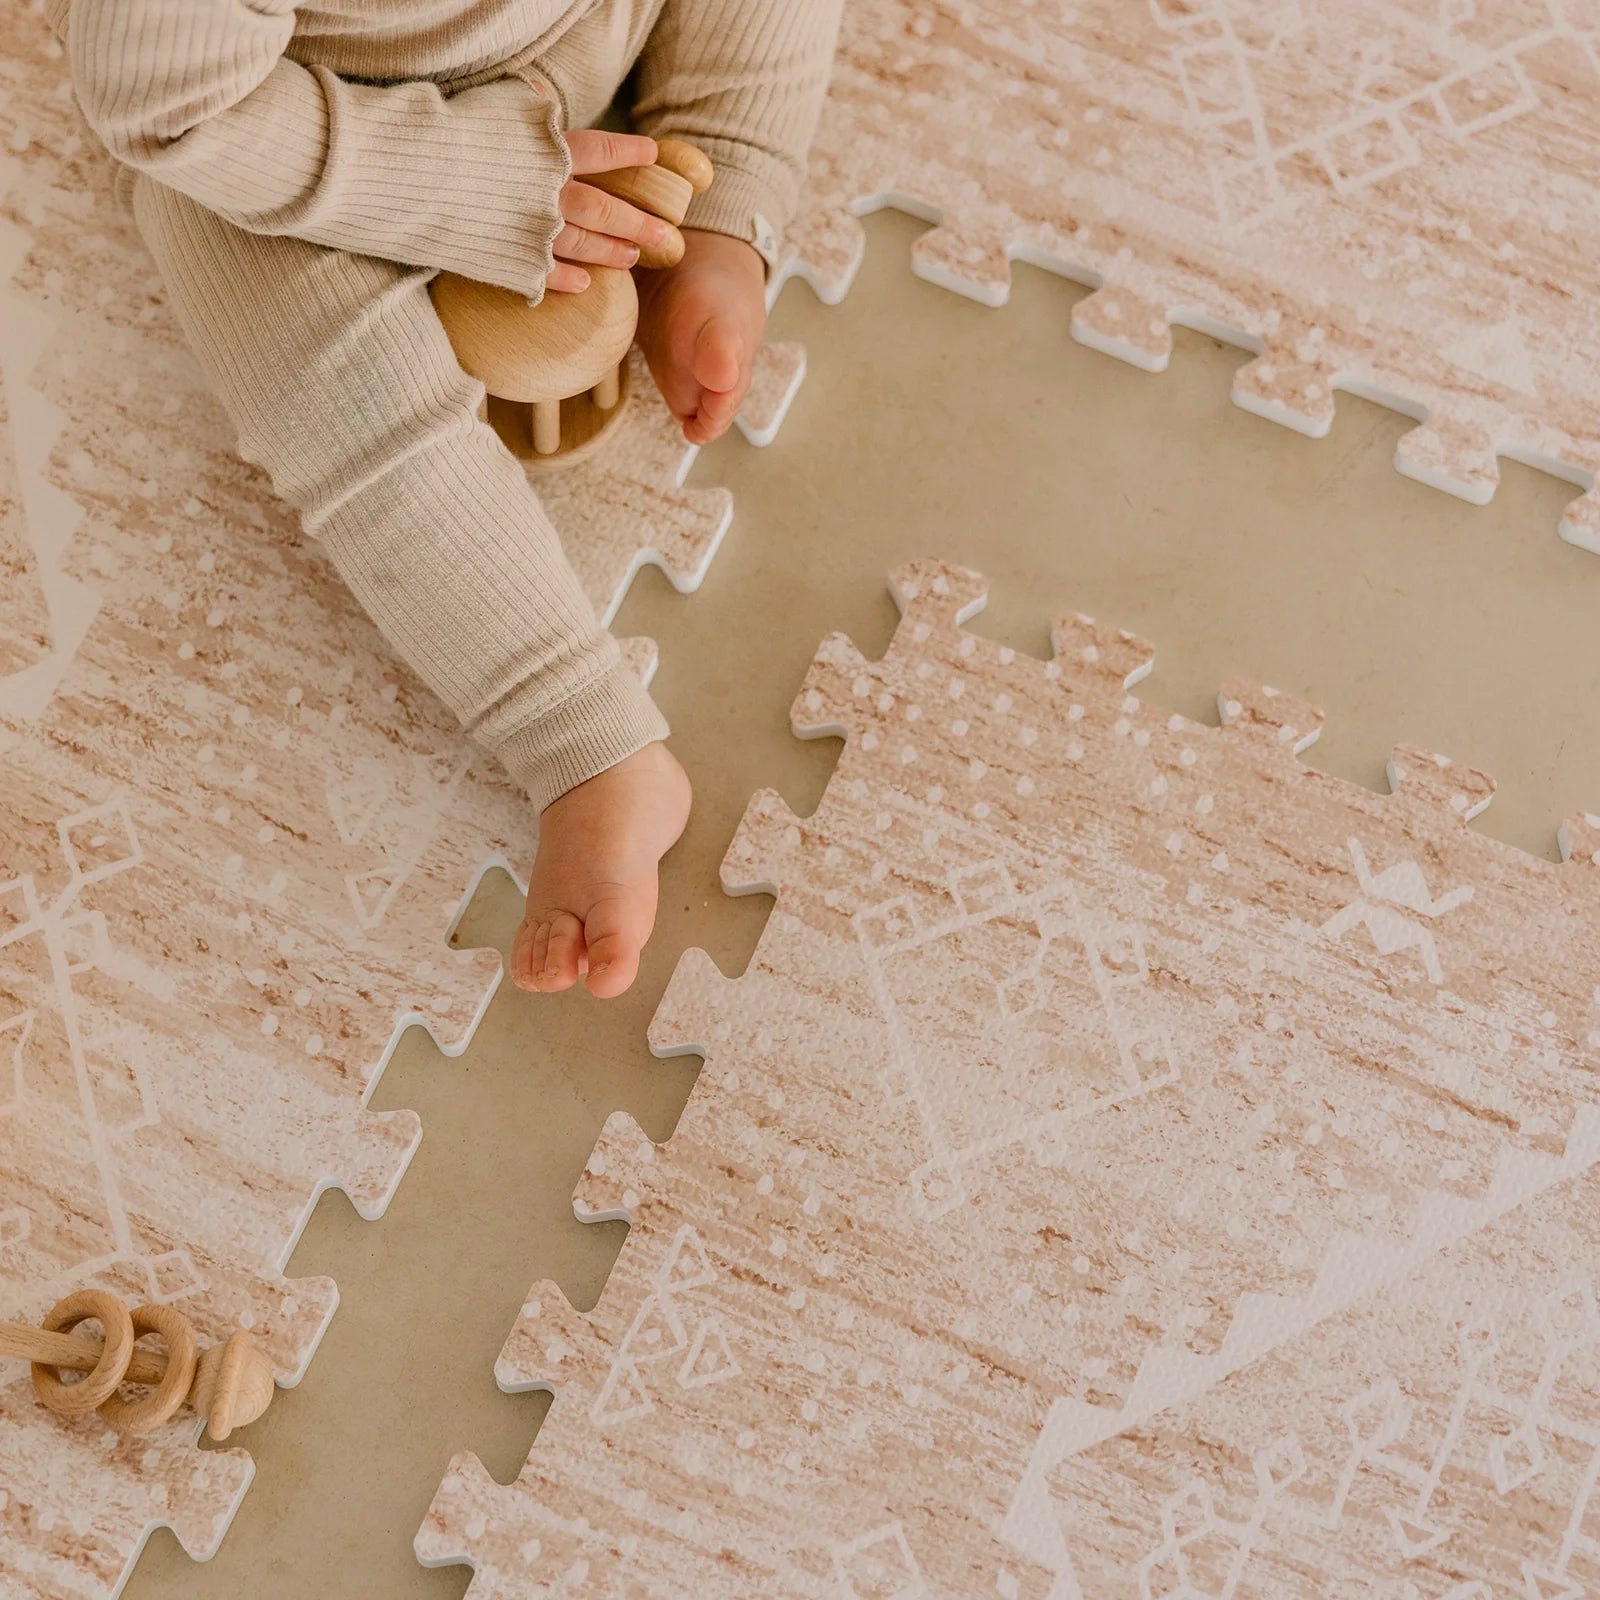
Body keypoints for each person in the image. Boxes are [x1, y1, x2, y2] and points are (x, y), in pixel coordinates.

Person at [52, 0, 841, 998]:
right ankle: (579, 733)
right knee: (326, 386)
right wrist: (477, 187)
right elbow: (167, 100)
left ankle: (721, 195)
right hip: (286, 112)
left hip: (578, 26)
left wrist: (732, 187)